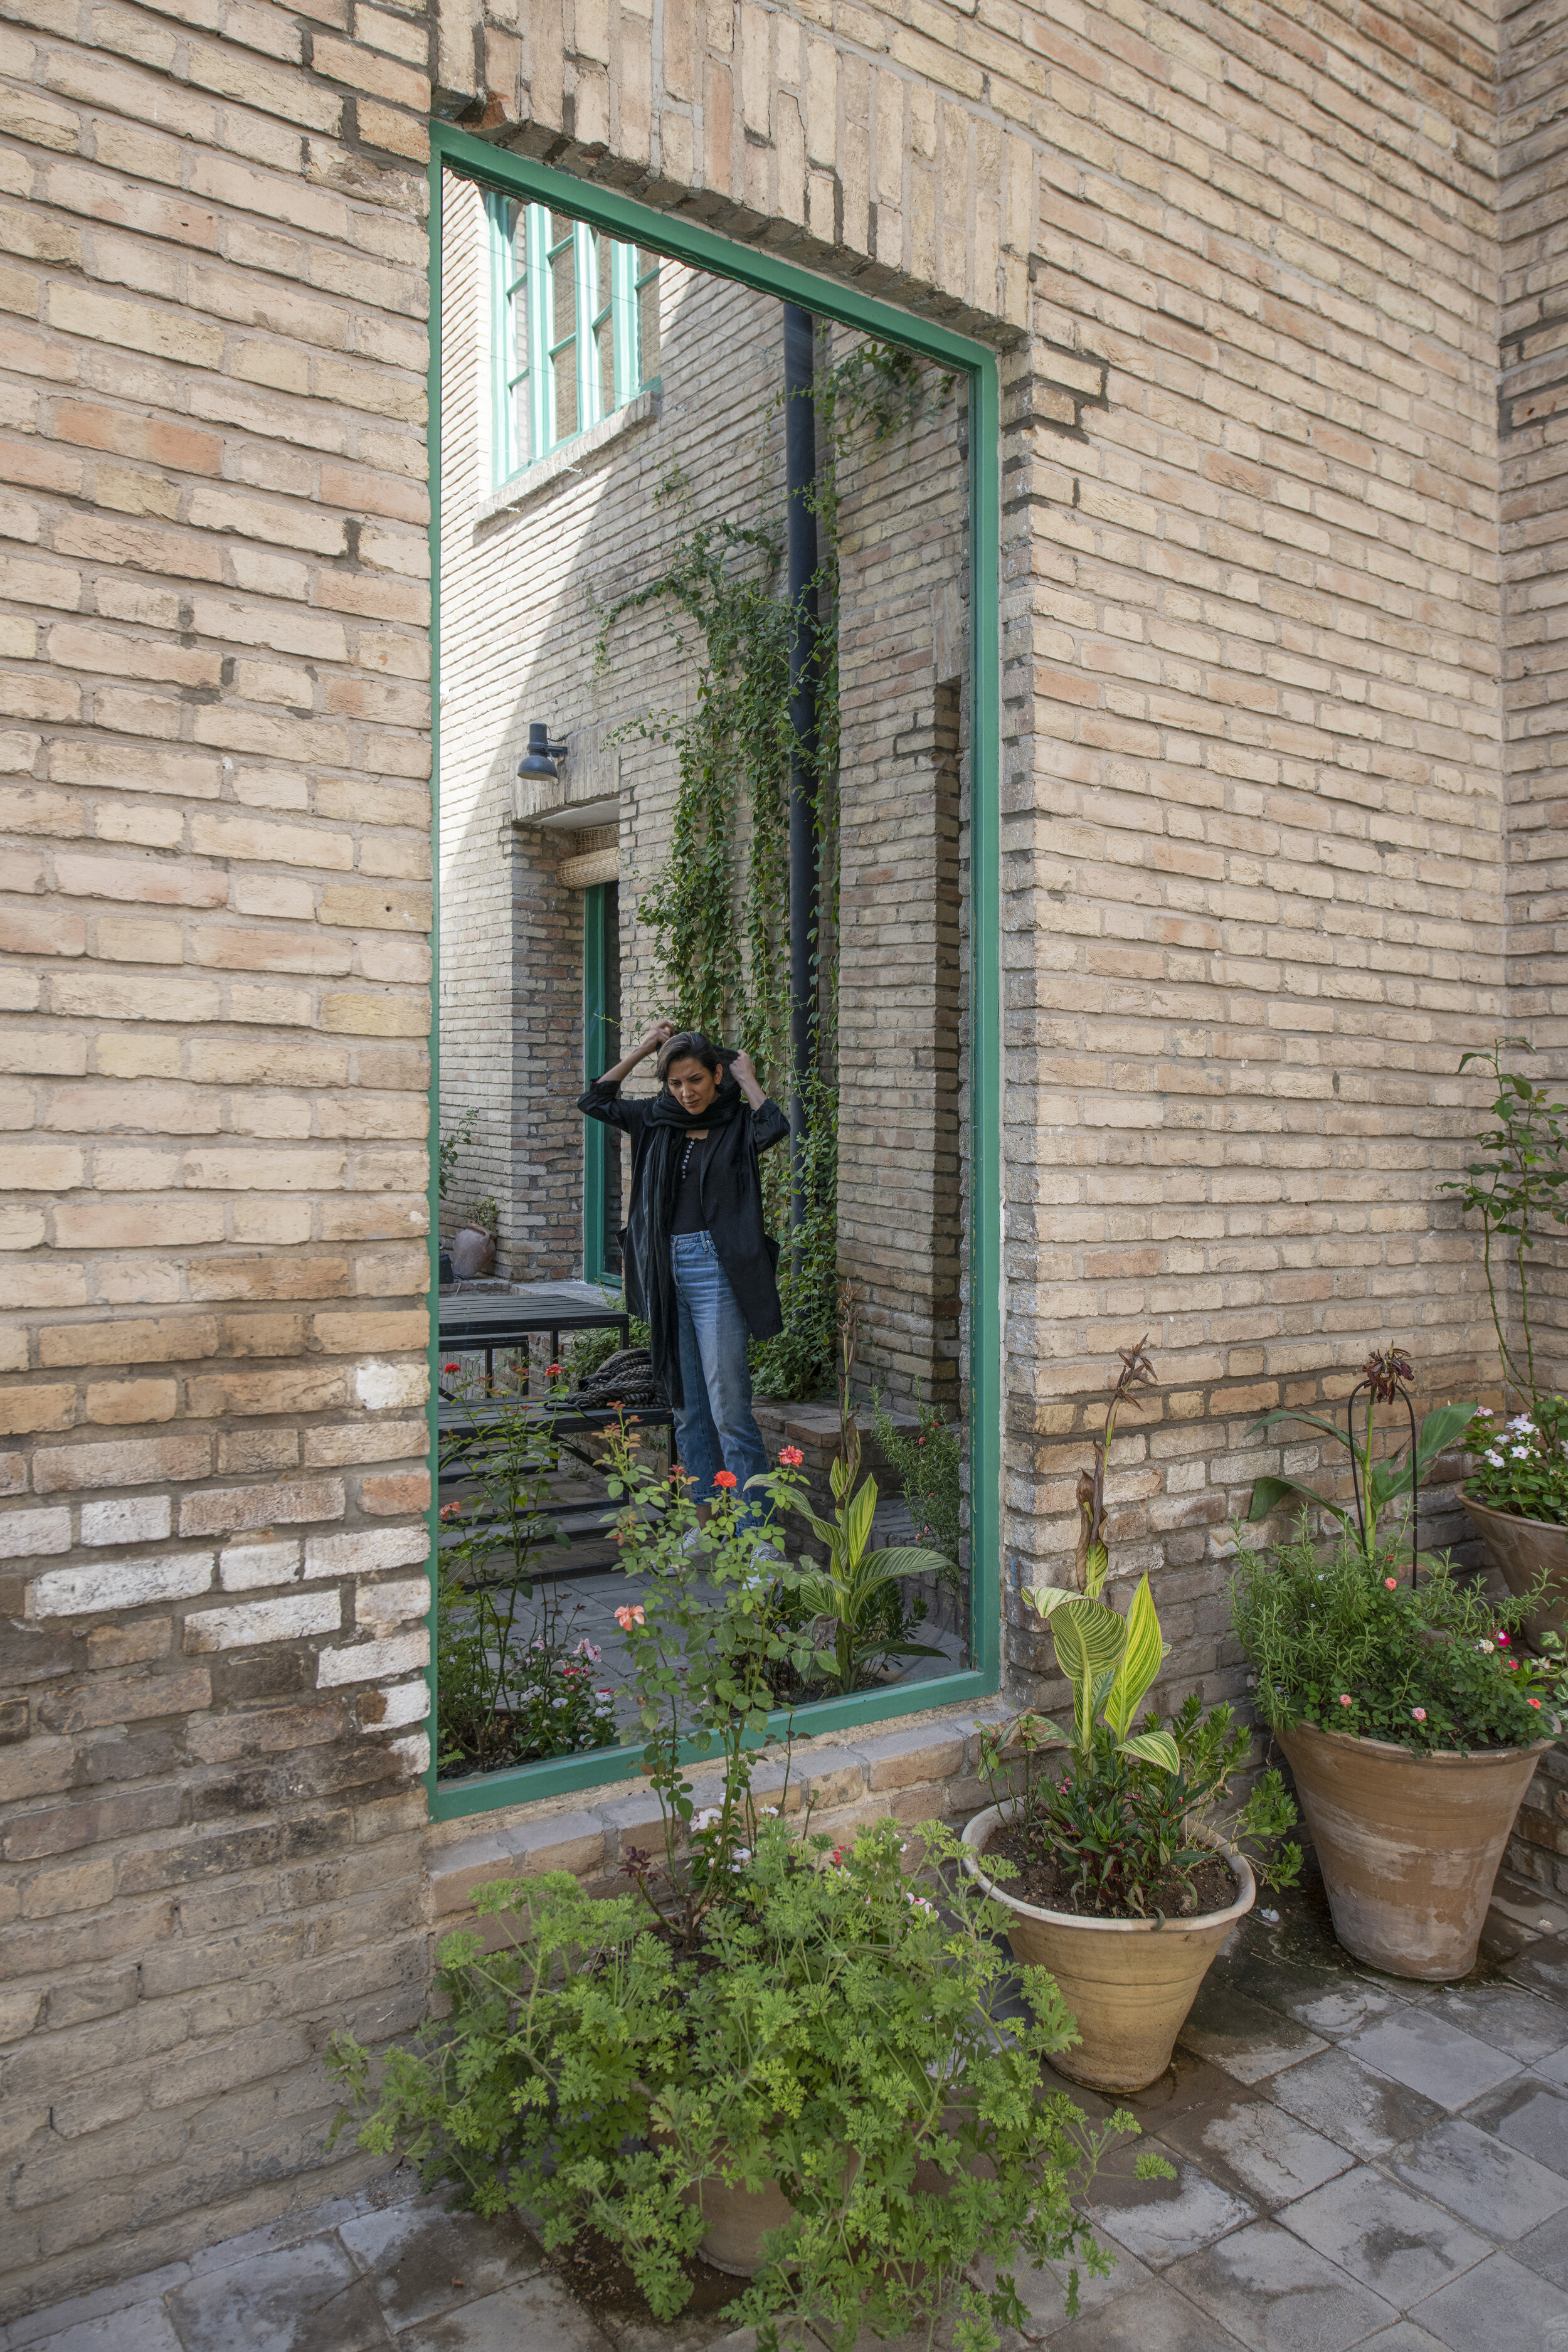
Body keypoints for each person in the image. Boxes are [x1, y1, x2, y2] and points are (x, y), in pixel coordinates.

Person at [578, 1021, 788, 1524]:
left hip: (717, 1270)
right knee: (688, 1408)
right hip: (665, 1269)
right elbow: (597, 1100)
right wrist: (644, 1048)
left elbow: (774, 1127)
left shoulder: (737, 1122)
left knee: (729, 1410)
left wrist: (750, 1077)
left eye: (695, 1080)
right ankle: (707, 1520)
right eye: (675, 1082)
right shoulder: (656, 1117)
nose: (686, 1092)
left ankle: (755, 1532)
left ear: (716, 1075)